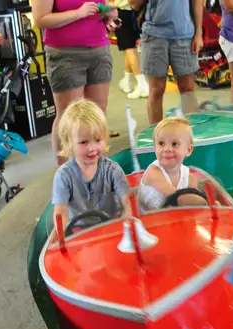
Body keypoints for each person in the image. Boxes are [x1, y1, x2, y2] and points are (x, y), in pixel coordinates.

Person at [32, 0, 119, 165]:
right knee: (67, 115)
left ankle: (97, 170)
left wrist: (108, 15)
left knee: (98, 112)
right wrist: (78, 13)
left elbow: (101, 9)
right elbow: (40, 19)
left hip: (99, 49)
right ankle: (66, 173)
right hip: (65, 53)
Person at [52, 99, 131, 230]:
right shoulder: (63, 176)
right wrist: (64, 233)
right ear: (68, 142)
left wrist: (125, 221)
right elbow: (61, 213)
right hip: (78, 232)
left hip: (111, 227)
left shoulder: (112, 170)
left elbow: (128, 201)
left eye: (98, 140)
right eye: (83, 142)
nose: (92, 148)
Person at [128, 0, 204, 124]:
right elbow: (134, 3)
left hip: (184, 35)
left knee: (187, 89)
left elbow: (197, 2)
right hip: (154, 36)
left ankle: (191, 133)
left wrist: (199, 34)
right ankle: (155, 135)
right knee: (156, 90)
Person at [138, 117, 207, 211]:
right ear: (154, 147)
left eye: (174, 144)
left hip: (175, 220)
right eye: (161, 143)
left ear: (189, 150)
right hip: (147, 222)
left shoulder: (190, 179)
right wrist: (205, 203)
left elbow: (193, 208)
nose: (167, 149)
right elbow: (176, 197)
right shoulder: (153, 173)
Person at [111, 0, 149, 98]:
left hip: (124, 12)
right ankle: (127, 80)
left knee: (129, 48)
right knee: (128, 47)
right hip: (135, 12)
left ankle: (142, 83)